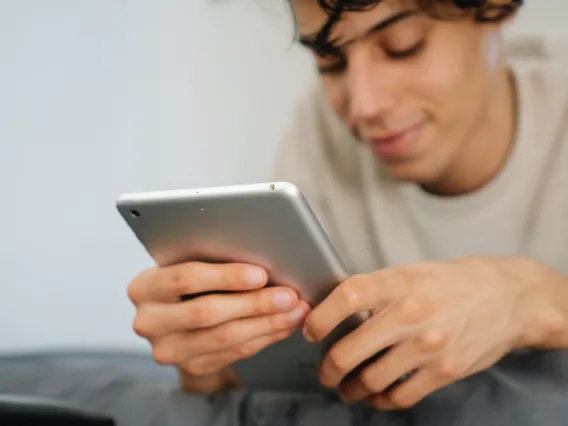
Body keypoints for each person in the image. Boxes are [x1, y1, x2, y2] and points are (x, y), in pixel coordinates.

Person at [3, 0, 568, 425]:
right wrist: (208, 361)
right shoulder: (321, 135)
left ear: (498, 11)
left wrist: (532, 299)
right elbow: (280, 380)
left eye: (403, 46)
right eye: (329, 63)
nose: (364, 107)